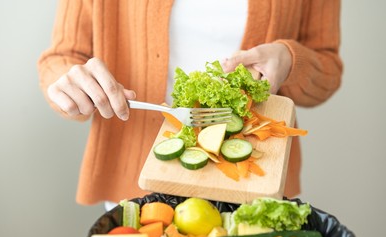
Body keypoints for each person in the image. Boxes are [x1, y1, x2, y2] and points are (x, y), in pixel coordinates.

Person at [37, 0, 342, 208]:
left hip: (255, 182)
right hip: (136, 184)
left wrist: (290, 59)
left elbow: (327, 71)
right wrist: (72, 84)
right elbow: (62, 57)